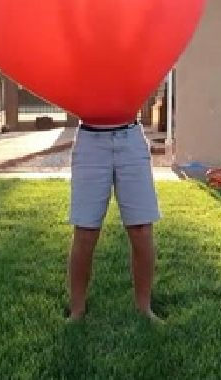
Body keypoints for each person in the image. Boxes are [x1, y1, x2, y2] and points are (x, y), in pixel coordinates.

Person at [66, 117, 161, 323]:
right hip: (90, 142)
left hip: (131, 140)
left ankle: (144, 308)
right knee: (85, 231)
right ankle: (77, 310)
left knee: (141, 229)